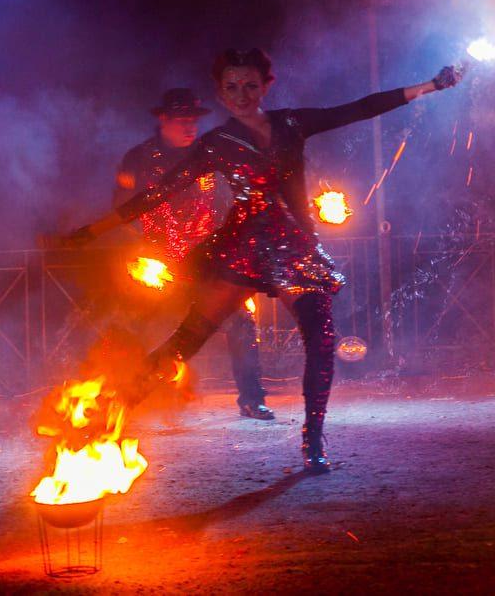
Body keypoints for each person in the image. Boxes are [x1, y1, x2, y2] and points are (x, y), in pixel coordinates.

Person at [63, 49, 460, 472]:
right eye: (231, 87)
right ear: (220, 93)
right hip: (243, 249)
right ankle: (113, 410)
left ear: (266, 86)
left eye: (250, 85)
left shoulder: (292, 124)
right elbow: (158, 193)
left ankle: (313, 437)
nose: (241, 95)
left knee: (322, 339)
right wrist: (91, 231)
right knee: (188, 339)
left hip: (294, 249)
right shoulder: (217, 143)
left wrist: (428, 86)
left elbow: (359, 108)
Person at [114, 87, 273, 420]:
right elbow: (121, 211)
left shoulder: (210, 154)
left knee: (241, 322)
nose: (189, 127)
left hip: (208, 262)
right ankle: (129, 397)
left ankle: (252, 398)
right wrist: (139, 251)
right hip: (159, 263)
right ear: (163, 120)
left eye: (193, 120)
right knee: (142, 327)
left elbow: (231, 201)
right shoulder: (138, 159)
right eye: (181, 120)